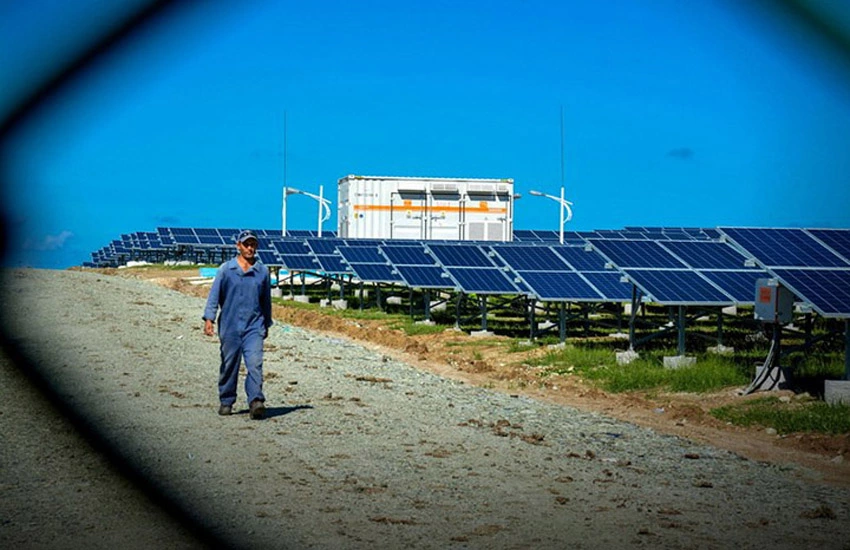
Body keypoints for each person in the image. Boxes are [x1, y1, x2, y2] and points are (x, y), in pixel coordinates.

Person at [202, 229, 273, 419]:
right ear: (238, 246)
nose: (250, 248)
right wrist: (209, 318)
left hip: (254, 326)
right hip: (230, 326)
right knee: (229, 364)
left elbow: (266, 300)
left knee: (255, 363)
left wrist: (266, 323)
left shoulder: (262, 271)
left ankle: (256, 401)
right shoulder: (226, 269)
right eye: (246, 244)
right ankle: (226, 400)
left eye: (253, 245)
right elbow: (214, 295)